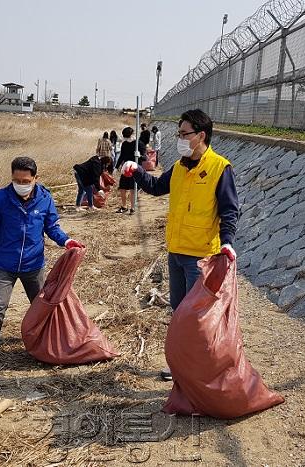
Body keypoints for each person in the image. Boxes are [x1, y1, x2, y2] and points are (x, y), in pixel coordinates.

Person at [120, 109, 239, 380]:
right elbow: (156, 186)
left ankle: (200, 371)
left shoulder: (220, 168)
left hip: (200, 256)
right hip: (175, 252)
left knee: (198, 319)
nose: (180, 139)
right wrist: (136, 171)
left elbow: (230, 210)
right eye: (179, 134)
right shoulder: (179, 167)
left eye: (184, 134)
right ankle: (181, 366)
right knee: (179, 314)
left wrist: (227, 241)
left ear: (201, 136)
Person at [0, 156, 84, 375]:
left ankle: (48, 349)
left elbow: (52, 227)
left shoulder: (45, 199)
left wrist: (66, 241)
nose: (20, 184)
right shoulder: (0, 199)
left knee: (43, 309)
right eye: (16, 180)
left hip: (34, 265)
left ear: (35, 179)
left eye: (25, 180)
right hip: (5, 265)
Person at [115, 126, 137, 214]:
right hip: (125, 168)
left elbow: (144, 157)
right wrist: (116, 167)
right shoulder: (124, 144)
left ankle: (132, 208)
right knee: (122, 187)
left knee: (132, 189)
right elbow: (122, 156)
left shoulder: (138, 144)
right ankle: (124, 206)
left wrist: (139, 155)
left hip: (134, 168)